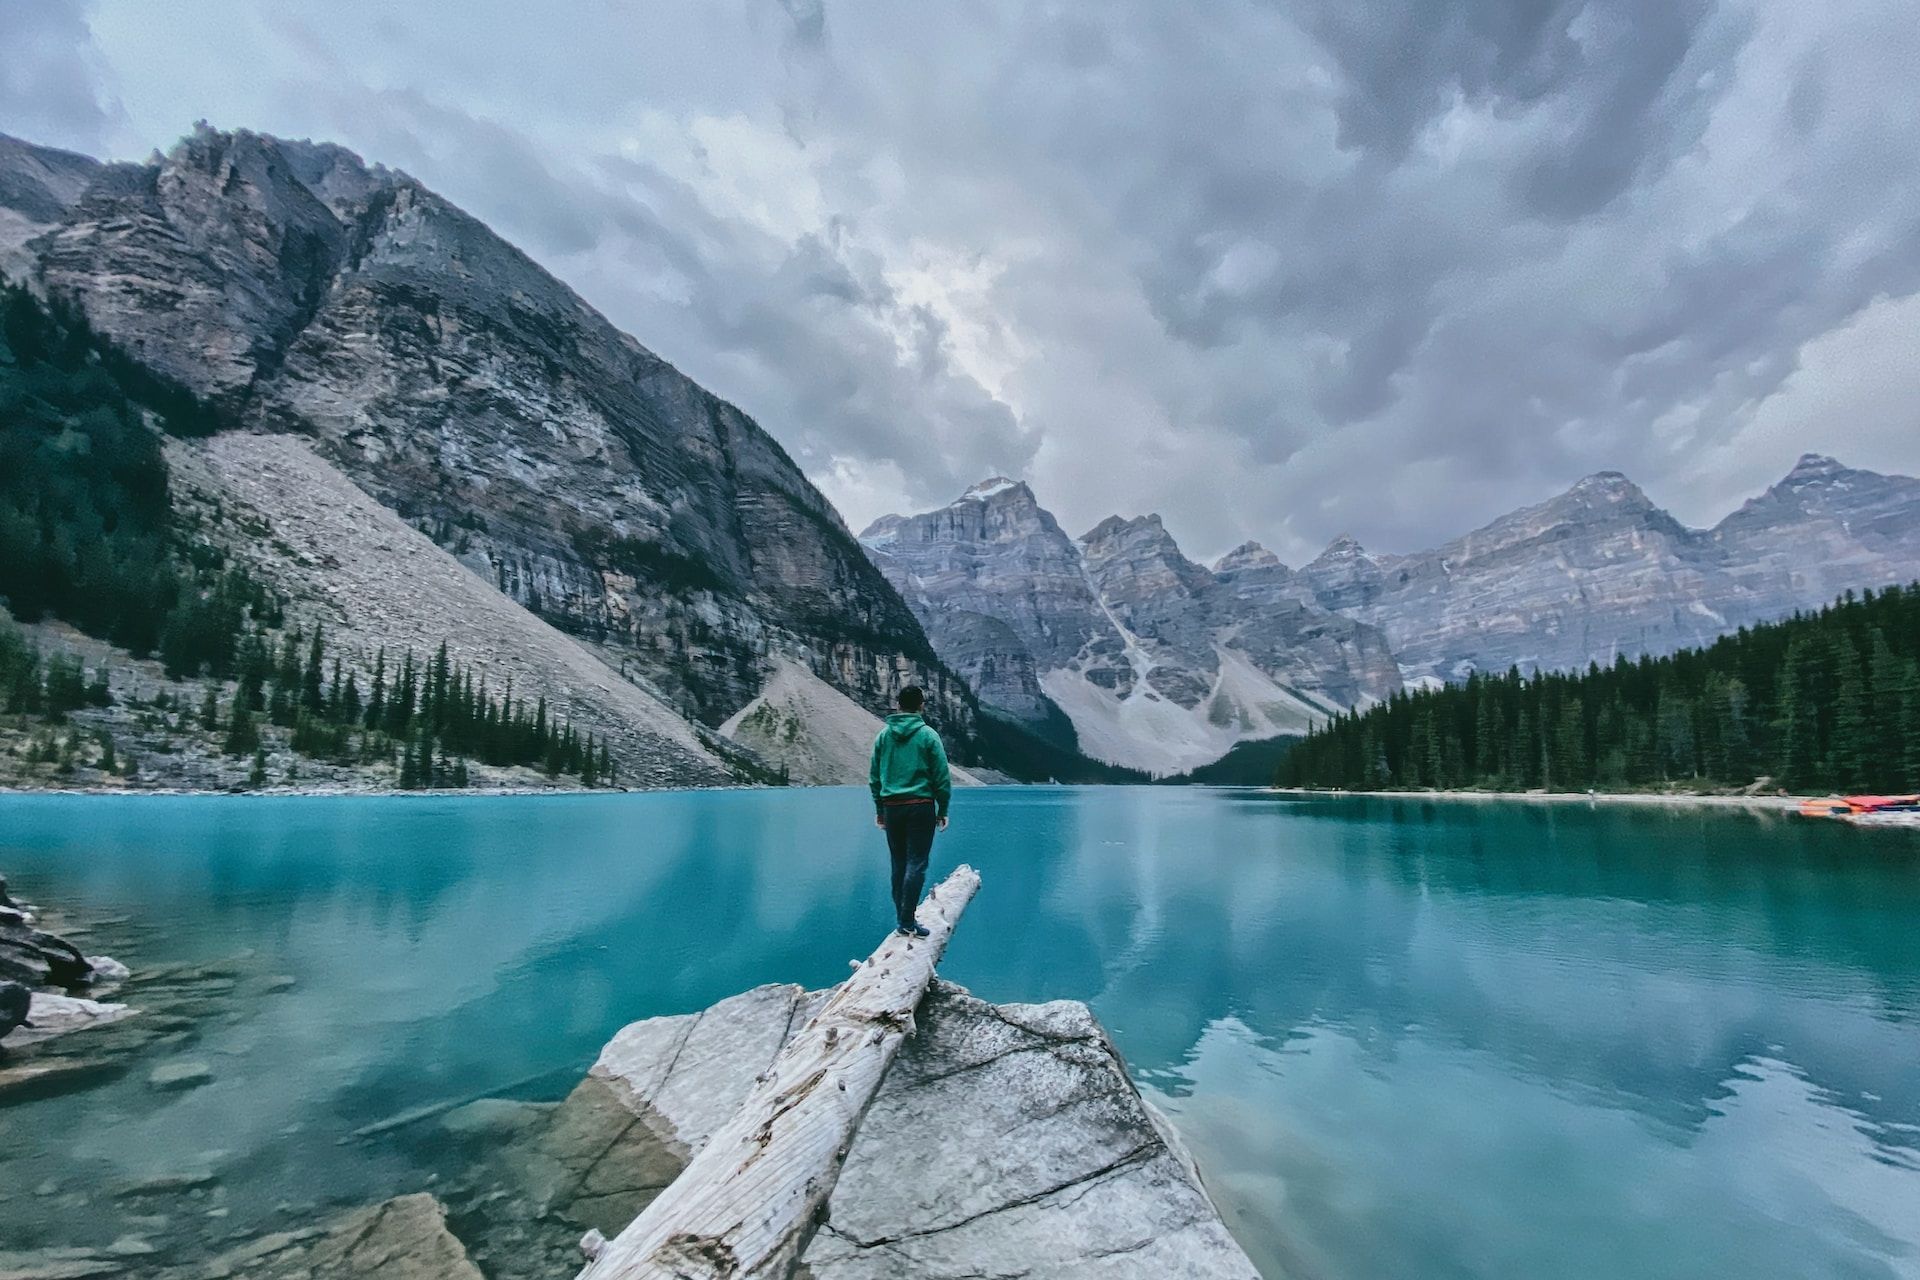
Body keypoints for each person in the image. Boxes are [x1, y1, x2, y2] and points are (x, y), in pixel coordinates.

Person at [868, 685, 951, 937]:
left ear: (898, 705)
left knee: (899, 862)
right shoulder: (928, 735)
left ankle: (902, 919)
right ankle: (907, 920)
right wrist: (943, 808)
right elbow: (942, 777)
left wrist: (880, 809)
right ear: (921, 705)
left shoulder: (883, 736)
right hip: (920, 807)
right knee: (917, 862)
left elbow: (874, 778)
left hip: (892, 808)